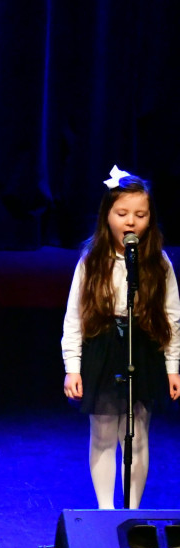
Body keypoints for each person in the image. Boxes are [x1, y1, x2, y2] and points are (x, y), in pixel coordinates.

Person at [62, 167, 180, 509]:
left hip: (142, 347)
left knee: (136, 434)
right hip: (102, 347)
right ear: (107, 216)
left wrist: (172, 367)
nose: (131, 222)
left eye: (140, 215)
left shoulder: (158, 263)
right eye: (122, 214)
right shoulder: (92, 261)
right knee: (102, 432)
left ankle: (132, 511)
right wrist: (73, 366)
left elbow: (172, 317)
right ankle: (105, 511)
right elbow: (74, 317)